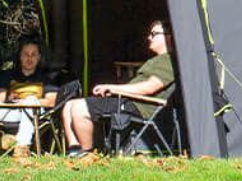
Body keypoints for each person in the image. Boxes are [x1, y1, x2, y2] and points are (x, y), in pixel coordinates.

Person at [62, 20, 174, 157]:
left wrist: (113, 88)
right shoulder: (157, 60)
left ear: (168, 36)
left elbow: (149, 87)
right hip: (129, 100)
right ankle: (74, 149)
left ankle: (87, 154)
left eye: (154, 34)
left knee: (80, 107)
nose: (149, 37)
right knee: (69, 105)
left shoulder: (169, 60)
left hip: (139, 106)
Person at [0, 38, 57, 156]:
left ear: (39, 57)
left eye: (33, 55)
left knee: (30, 101)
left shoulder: (45, 78)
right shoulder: (8, 75)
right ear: (20, 57)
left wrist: (30, 101)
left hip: (34, 113)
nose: (29, 58)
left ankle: (22, 147)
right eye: (26, 54)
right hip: (12, 112)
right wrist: (8, 98)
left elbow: (51, 101)